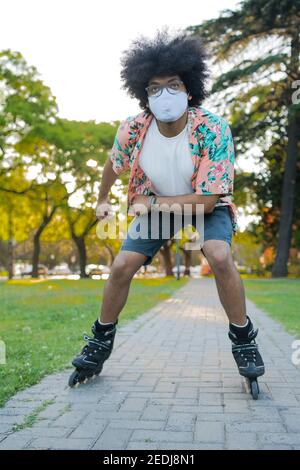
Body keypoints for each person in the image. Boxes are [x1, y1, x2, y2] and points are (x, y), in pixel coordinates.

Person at [69, 30, 265, 387]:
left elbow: (207, 200)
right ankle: (100, 339)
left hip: (203, 206)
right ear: (144, 94)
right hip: (156, 206)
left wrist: (154, 203)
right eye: (155, 88)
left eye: (173, 85)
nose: (165, 95)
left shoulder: (213, 129)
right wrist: (101, 199)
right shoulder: (133, 129)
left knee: (219, 256)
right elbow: (113, 164)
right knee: (121, 266)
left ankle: (244, 340)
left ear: (189, 88)